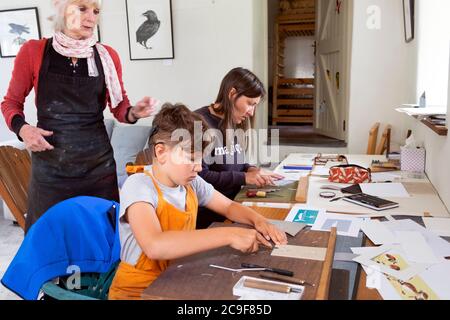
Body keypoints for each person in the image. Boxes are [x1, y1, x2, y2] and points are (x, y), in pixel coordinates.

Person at [0, 0, 157, 231]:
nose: (91, 17)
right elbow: (10, 103)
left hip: (97, 169)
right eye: (82, 8)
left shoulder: (106, 56)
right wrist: (23, 129)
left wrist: (134, 112)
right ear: (62, 9)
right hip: (51, 170)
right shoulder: (34, 51)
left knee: (101, 240)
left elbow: (120, 107)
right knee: (48, 241)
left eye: (96, 11)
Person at [108, 104, 287, 300]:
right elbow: (154, 245)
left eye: (201, 159)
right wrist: (230, 234)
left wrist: (259, 220)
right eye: (192, 158)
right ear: (161, 152)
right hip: (138, 292)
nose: (199, 167)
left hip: (176, 279)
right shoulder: (139, 185)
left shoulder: (191, 184)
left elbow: (228, 206)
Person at [195, 67, 284, 228]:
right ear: (232, 94)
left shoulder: (234, 121)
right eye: (250, 104)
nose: (251, 112)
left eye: (255, 105)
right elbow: (199, 177)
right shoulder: (198, 123)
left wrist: (251, 170)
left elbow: (237, 163)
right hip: (210, 215)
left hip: (236, 203)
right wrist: (244, 178)